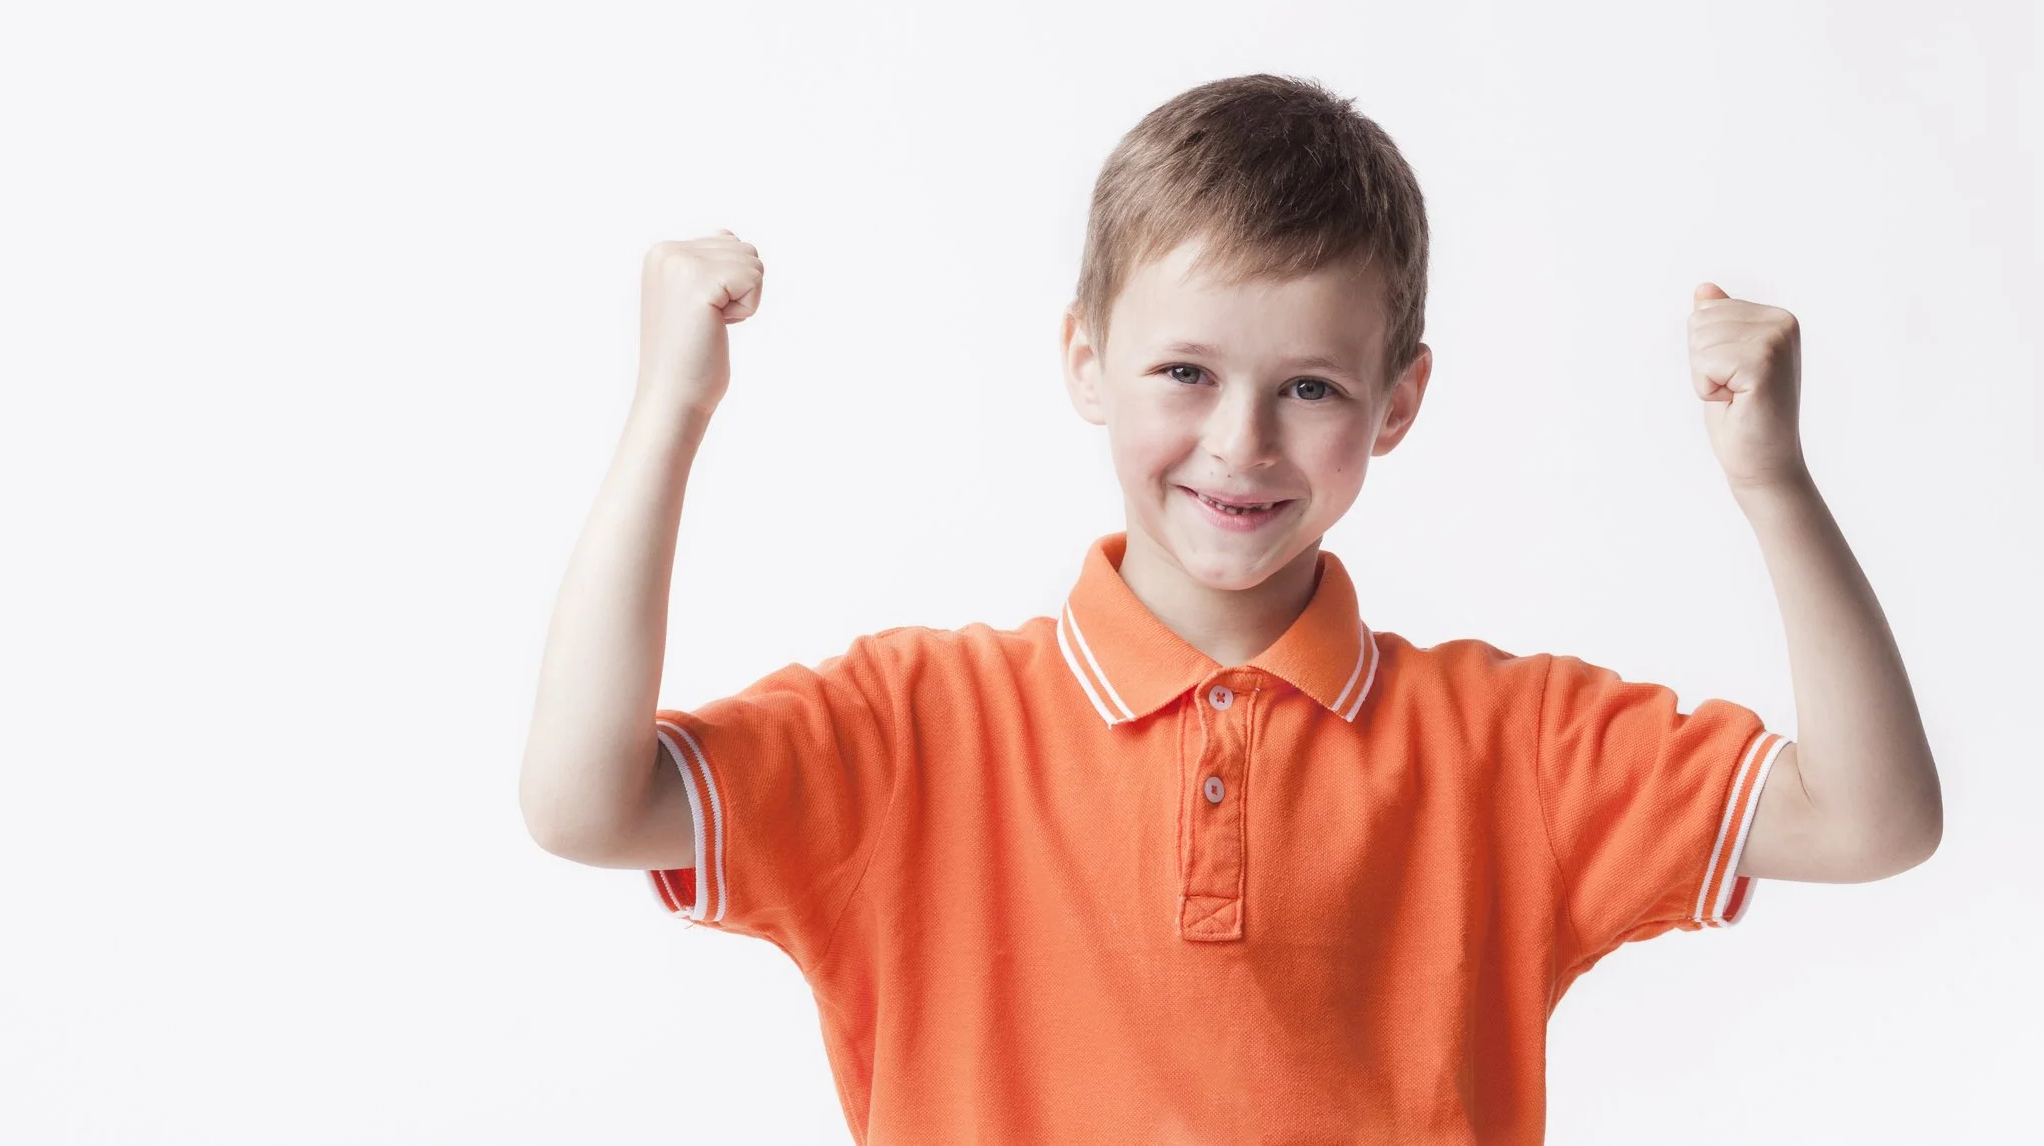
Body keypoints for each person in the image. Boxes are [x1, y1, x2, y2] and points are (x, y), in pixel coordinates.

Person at [517, 72, 1941, 1144]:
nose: (1241, 444)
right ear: (1085, 359)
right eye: (1185, 373)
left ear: (1399, 404)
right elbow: (587, 801)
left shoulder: (1509, 744)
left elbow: (1870, 819)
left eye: (1309, 386)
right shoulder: (917, 731)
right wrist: (668, 412)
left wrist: (1772, 481)